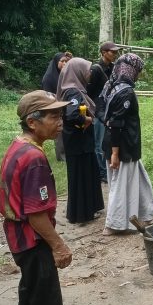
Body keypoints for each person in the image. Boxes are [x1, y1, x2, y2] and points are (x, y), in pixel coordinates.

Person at [0, 90, 73, 305]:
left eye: (60, 115)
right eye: (53, 116)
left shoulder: (18, 146)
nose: (60, 122)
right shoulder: (33, 159)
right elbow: (36, 215)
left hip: (19, 237)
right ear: (32, 122)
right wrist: (59, 246)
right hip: (33, 241)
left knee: (32, 296)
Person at [101, 53, 153, 235]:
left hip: (114, 142)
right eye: (138, 70)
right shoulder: (126, 92)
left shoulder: (112, 86)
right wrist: (115, 153)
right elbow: (116, 123)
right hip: (123, 145)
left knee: (139, 179)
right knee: (120, 184)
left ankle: (149, 213)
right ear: (131, 70)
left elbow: (102, 112)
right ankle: (113, 225)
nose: (139, 74)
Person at [57, 58, 105, 224]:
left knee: (84, 176)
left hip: (79, 142)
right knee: (80, 178)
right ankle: (80, 214)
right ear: (77, 71)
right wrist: (87, 120)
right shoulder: (73, 92)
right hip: (79, 143)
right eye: (87, 70)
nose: (90, 73)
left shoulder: (74, 90)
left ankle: (86, 210)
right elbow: (72, 115)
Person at [88, 42, 120, 184]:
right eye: (112, 52)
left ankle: (106, 168)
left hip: (110, 109)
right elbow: (89, 92)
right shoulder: (95, 69)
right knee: (99, 142)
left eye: (116, 52)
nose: (115, 54)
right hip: (98, 111)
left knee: (108, 140)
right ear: (104, 52)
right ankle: (101, 172)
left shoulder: (113, 68)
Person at [43, 52, 73, 162]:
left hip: (66, 105)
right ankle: (61, 155)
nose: (65, 63)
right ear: (56, 62)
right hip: (55, 106)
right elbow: (47, 95)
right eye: (62, 61)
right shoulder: (49, 77)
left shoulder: (65, 74)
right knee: (59, 131)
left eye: (66, 61)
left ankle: (68, 152)